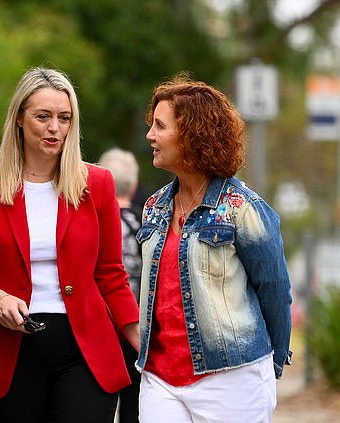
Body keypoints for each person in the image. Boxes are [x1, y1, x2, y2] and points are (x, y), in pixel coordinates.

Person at [0, 67, 140, 423]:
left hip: (85, 349)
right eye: (43, 117)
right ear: (19, 118)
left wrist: (146, 345)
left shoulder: (98, 184)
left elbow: (110, 273)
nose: (54, 127)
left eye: (64, 118)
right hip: (7, 350)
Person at [136, 74, 292, 423]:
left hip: (232, 377)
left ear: (192, 135)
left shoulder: (243, 209)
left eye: (160, 126)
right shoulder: (153, 207)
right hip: (160, 378)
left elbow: (275, 290)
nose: (150, 136)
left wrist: (272, 363)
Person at [98, 147, 142, 423]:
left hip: (101, 327)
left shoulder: (93, 220)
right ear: (134, 185)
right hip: (140, 328)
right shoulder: (148, 222)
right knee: (135, 409)